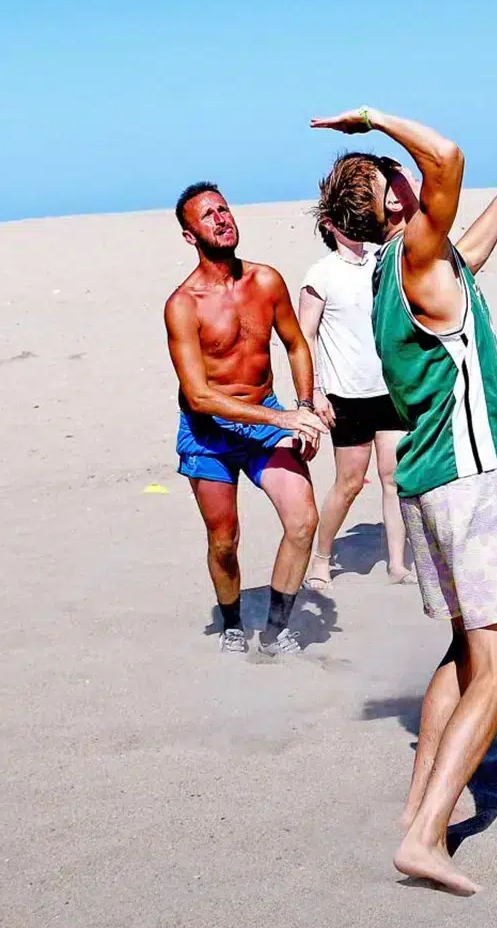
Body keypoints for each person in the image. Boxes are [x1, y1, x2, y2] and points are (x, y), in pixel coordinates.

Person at [308, 104, 497, 897]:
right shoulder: (412, 251)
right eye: (394, 178)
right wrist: (373, 122)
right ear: (389, 203)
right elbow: (447, 156)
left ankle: (422, 808)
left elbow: (469, 250)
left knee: (463, 650)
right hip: (471, 480)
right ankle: (423, 835)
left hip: (424, 483)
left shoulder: (393, 270)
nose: (410, 178)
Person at [163, 182, 327, 654]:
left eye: (224, 209)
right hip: (207, 433)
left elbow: (296, 343)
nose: (221, 219)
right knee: (224, 541)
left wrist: (306, 407)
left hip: (265, 418)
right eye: (208, 216)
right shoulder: (183, 305)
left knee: (302, 520)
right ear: (191, 236)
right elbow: (199, 396)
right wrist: (283, 420)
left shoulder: (266, 281)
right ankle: (233, 623)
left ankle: (277, 629)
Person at [299, 152, 412, 590]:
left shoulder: (382, 260)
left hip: (388, 390)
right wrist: (316, 394)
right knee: (348, 483)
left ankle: (397, 564)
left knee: (394, 479)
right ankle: (321, 559)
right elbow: (304, 336)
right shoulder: (321, 273)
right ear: (329, 225)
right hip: (345, 396)